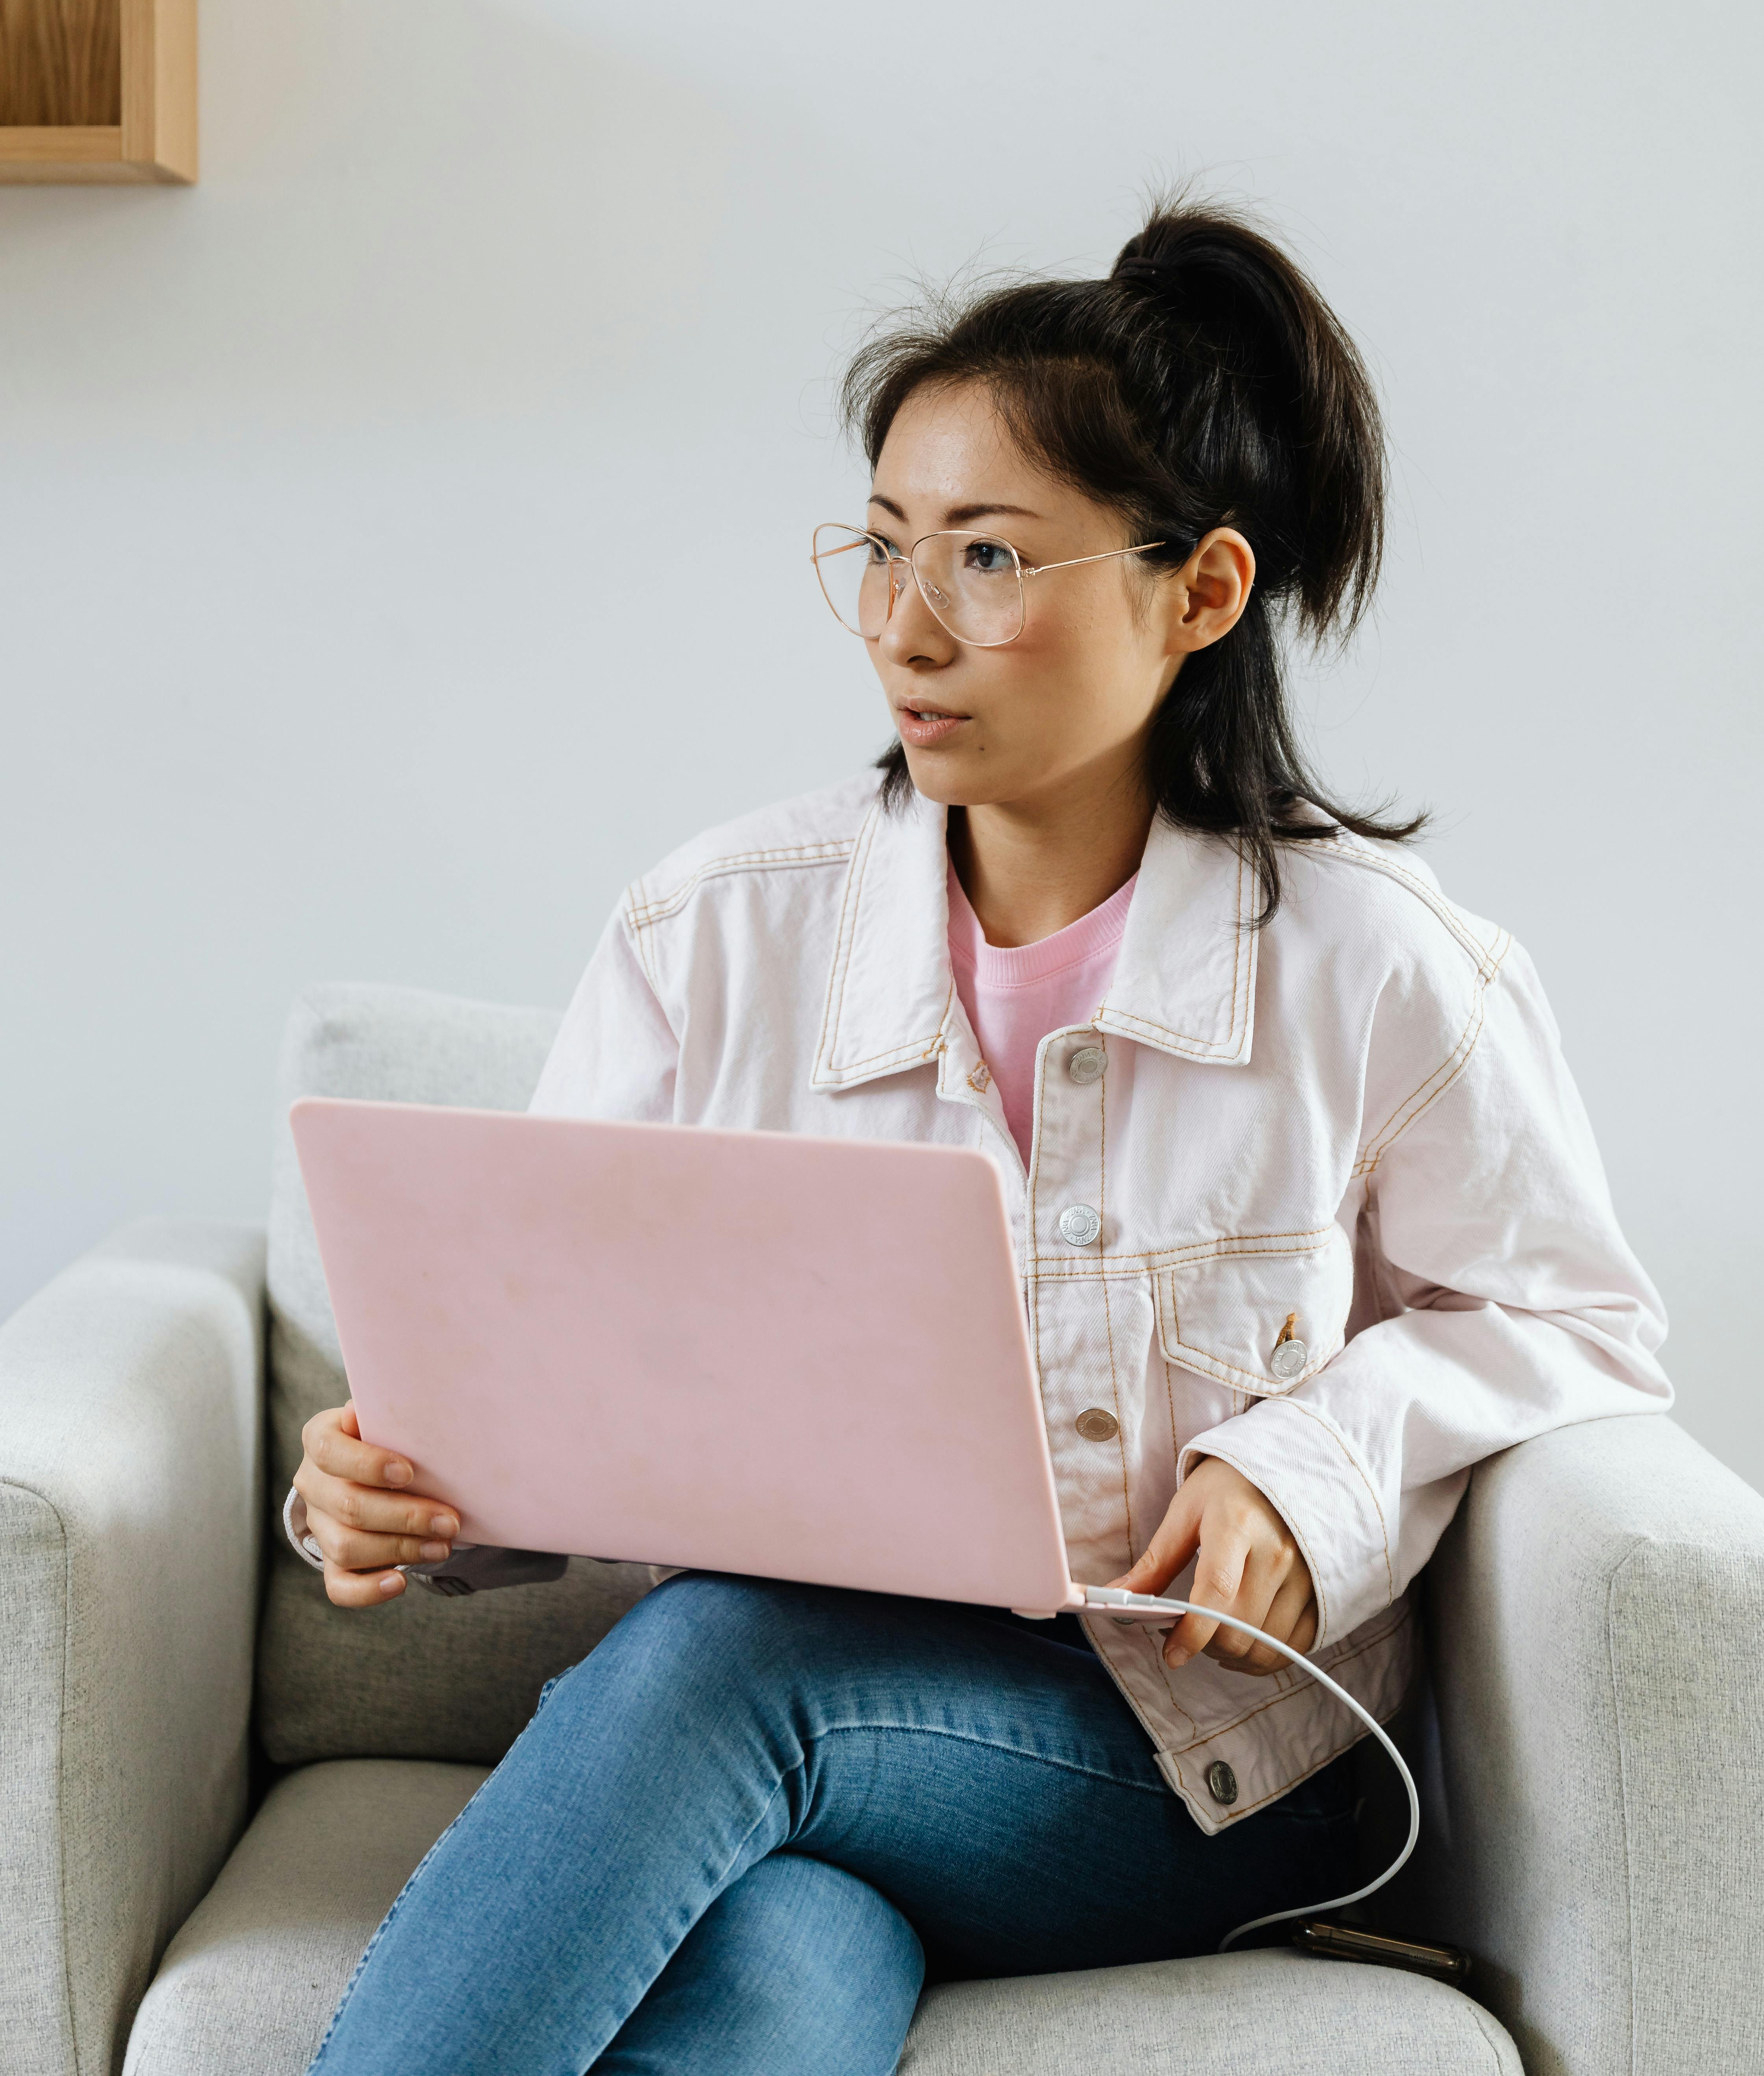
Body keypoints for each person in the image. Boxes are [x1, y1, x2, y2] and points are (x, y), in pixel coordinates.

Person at [288, 199, 1668, 2074]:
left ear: (1198, 594)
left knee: (723, 1671)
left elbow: (1581, 1327)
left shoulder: (1383, 969)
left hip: (1186, 1769)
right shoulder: (713, 935)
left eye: (990, 557)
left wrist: (1312, 1470)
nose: (905, 629)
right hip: (822, 1743)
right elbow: (549, 1395)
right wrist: (400, 1492)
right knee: (774, 1943)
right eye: (881, 549)